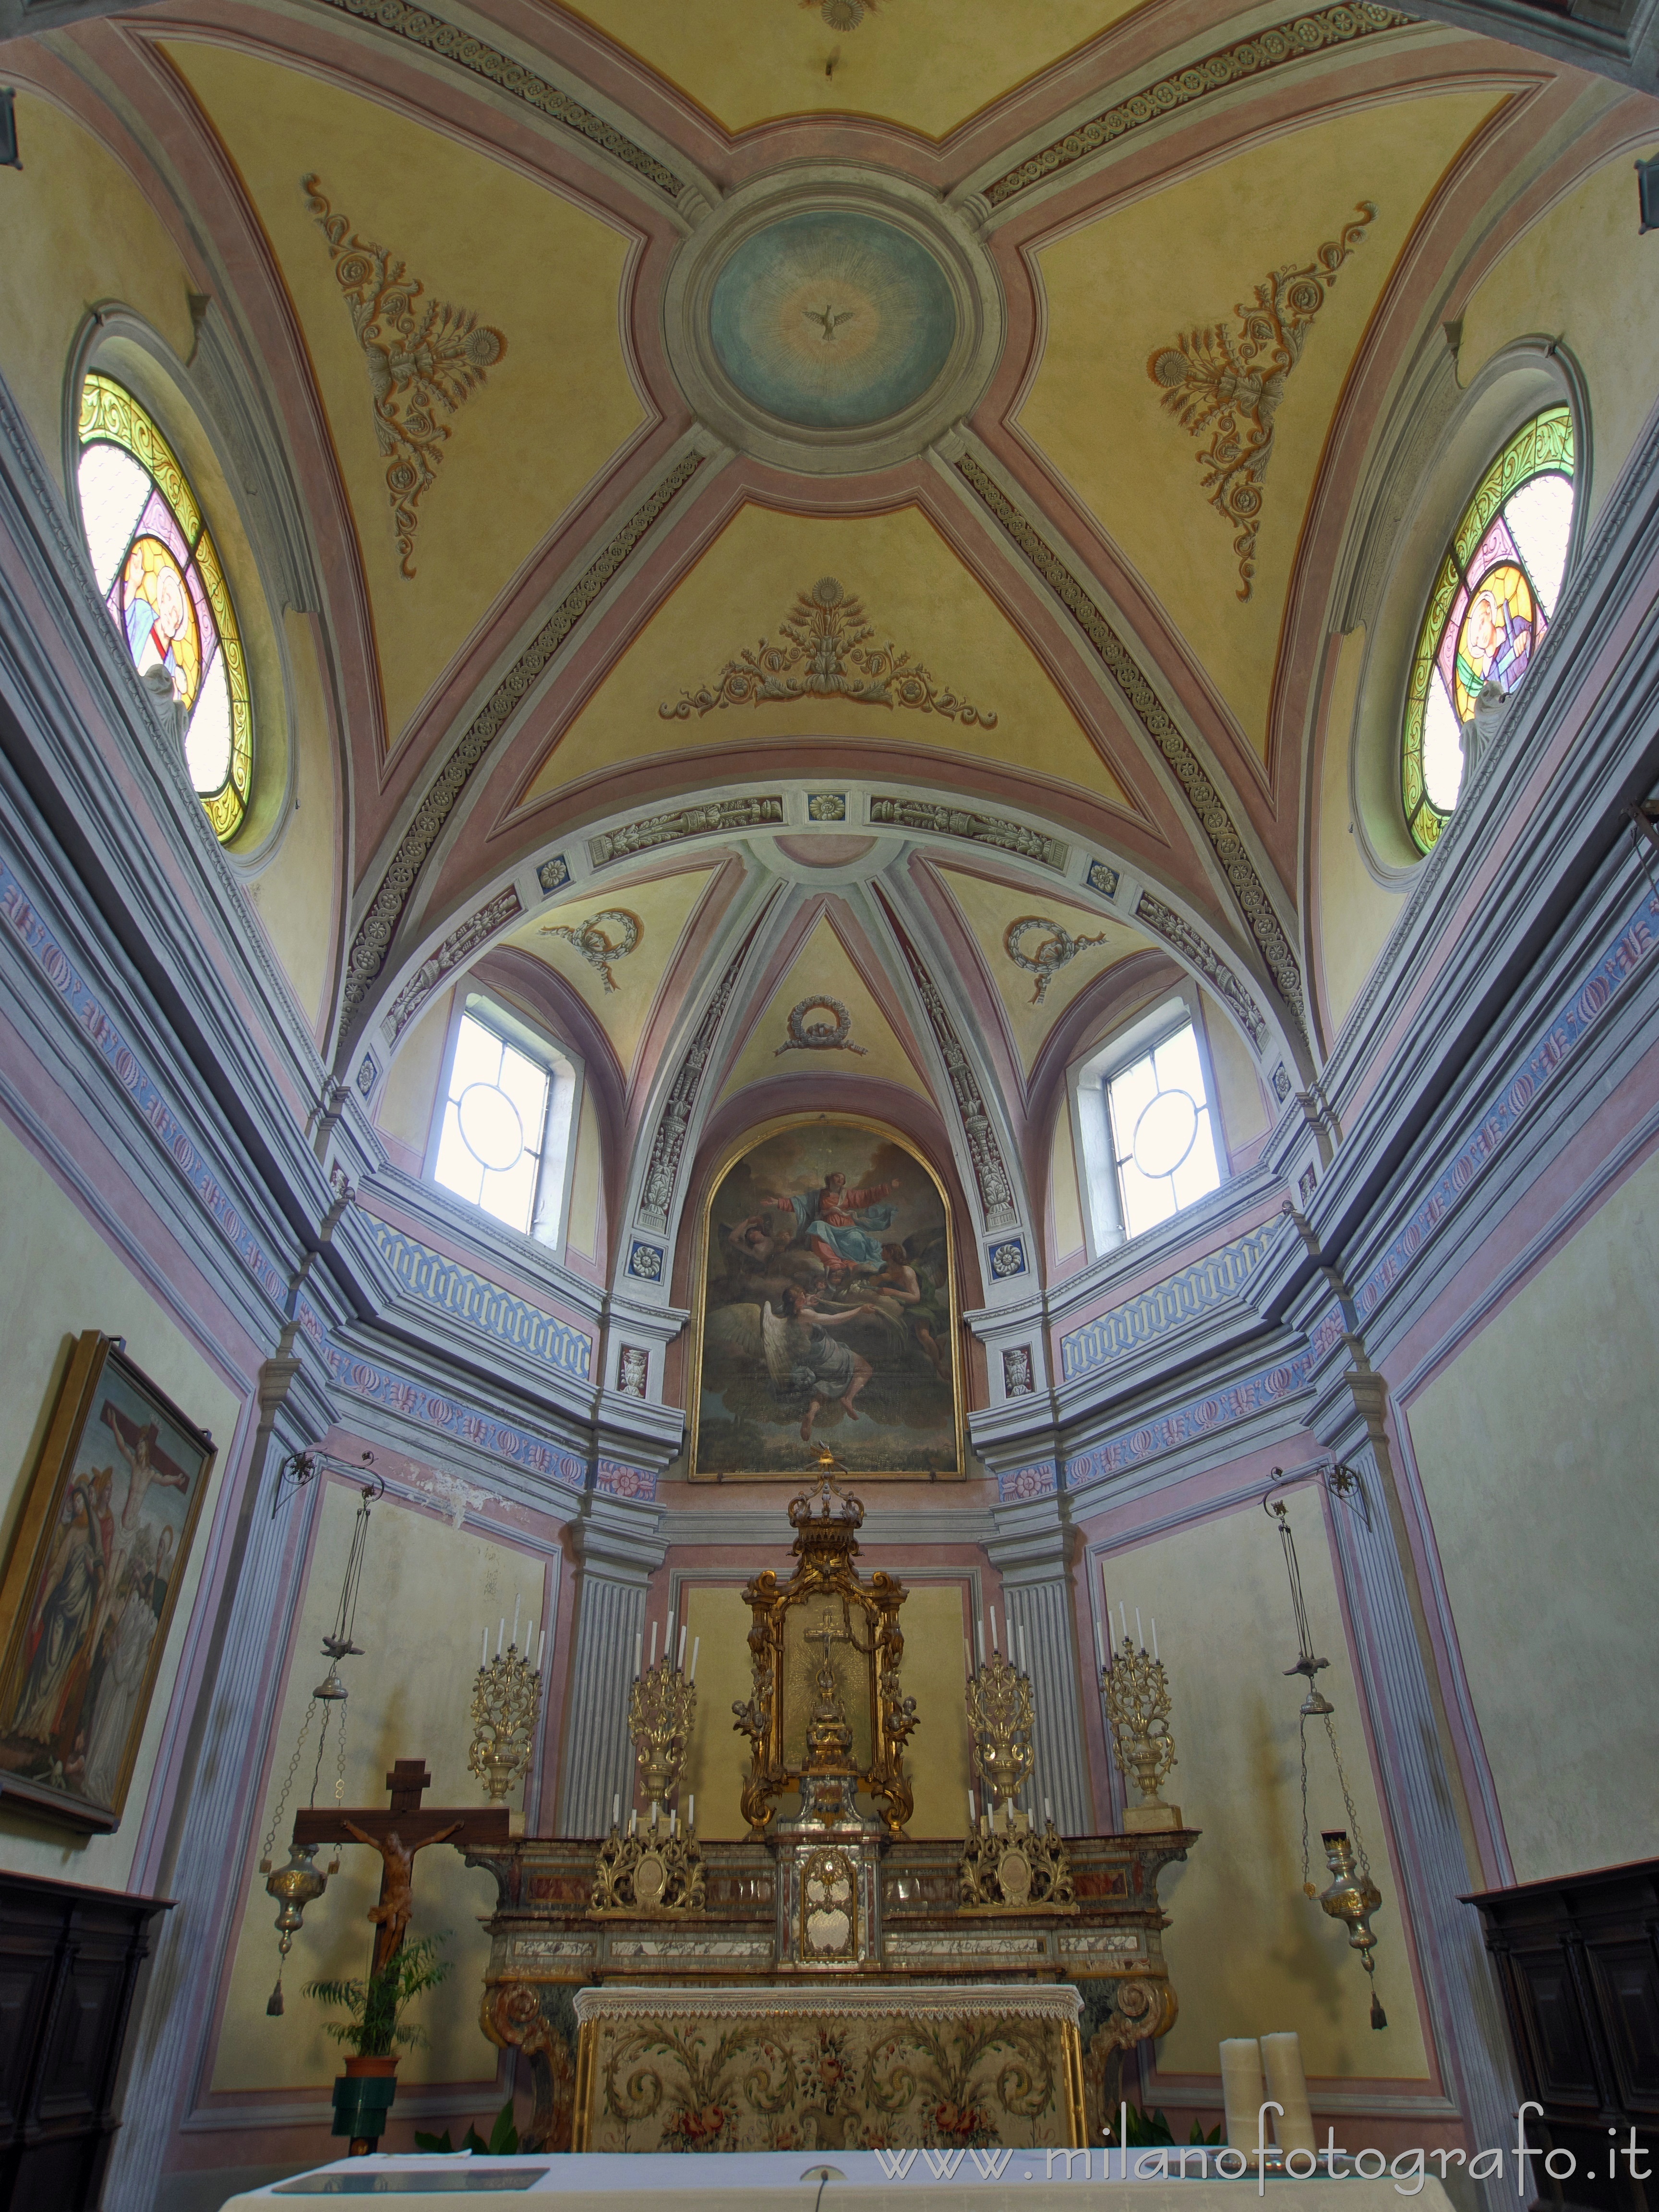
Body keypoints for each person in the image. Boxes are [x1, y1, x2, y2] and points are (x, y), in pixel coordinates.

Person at [766, 1168, 896, 1294]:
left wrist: (888, 1186)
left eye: (842, 1178)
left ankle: (853, 1263)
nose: (840, 1179)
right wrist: (778, 1202)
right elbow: (798, 1203)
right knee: (817, 1227)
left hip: (848, 1228)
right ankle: (834, 1262)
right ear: (830, 1179)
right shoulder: (819, 1195)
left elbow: (867, 1196)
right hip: (828, 1228)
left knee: (857, 1240)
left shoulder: (848, 1194)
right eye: (837, 1177)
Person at [771, 1287, 875, 1442]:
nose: (805, 1299)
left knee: (825, 1386)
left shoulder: (784, 1312)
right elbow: (835, 1319)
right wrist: (860, 1310)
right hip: (828, 1353)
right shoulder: (804, 1314)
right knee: (865, 1369)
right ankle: (848, 1399)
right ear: (795, 1303)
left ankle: (811, 1414)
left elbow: (799, 1309)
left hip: (811, 1358)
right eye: (802, 1298)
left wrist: (808, 1301)